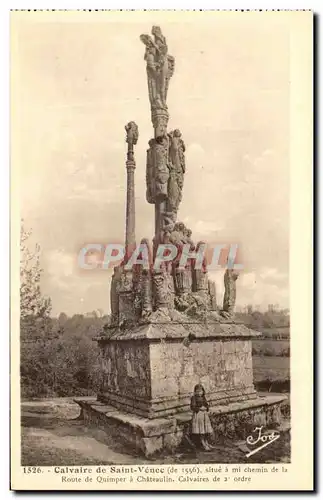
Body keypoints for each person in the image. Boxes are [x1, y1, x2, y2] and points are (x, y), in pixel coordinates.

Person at [190, 384, 214, 450]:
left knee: (206, 429)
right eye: (197, 391)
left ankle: (206, 442)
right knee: (201, 430)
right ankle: (203, 442)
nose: (199, 393)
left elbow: (206, 405)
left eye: (200, 391)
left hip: (204, 415)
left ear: (203, 391)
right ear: (195, 392)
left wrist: (207, 408)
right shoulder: (193, 398)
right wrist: (200, 408)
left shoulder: (203, 397)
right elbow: (193, 407)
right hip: (198, 415)